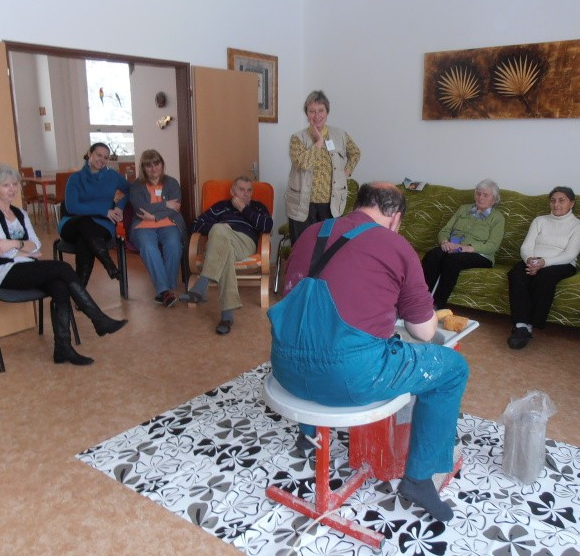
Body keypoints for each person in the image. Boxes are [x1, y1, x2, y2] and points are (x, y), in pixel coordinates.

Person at [270, 182, 469, 522]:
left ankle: (307, 435)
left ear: (358, 204)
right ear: (395, 217)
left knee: (315, 335)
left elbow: (305, 303)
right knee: (452, 367)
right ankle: (419, 480)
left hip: (285, 368)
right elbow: (423, 332)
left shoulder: (311, 232)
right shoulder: (395, 245)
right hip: (348, 380)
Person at [0, 164, 127, 366]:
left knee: (60, 286)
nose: (12, 189)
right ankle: (98, 319)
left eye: (15, 184)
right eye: (5, 185)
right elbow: (2, 252)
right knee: (62, 268)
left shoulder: (20, 213)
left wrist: (15, 245)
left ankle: (63, 349)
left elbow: (36, 245)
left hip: (24, 267)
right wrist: (24, 248)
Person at [179, 176, 273, 334]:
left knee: (218, 231)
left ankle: (202, 284)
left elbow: (267, 226)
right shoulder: (220, 207)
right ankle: (226, 317)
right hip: (218, 244)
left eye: (249, 190)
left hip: (244, 243)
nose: (246, 194)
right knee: (222, 242)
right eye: (241, 189)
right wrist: (221, 228)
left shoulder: (257, 207)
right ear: (232, 191)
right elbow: (195, 224)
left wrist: (244, 209)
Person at [507, 186, 580, 349]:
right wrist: (530, 260)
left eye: (561, 200)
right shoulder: (539, 221)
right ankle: (521, 326)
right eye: (553, 200)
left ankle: (530, 324)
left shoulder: (579, 225)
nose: (556, 204)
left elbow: (570, 254)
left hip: (562, 263)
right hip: (533, 260)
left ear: (572, 203)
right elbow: (526, 246)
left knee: (544, 277)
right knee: (516, 274)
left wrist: (544, 262)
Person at [285, 90, 360, 245]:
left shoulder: (340, 135)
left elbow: (355, 153)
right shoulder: (297, 138)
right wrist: (319, 142)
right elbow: (303, 164)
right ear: (306, 114)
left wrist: (345, 173)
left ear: (327, 112)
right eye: (312, 111)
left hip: (331, 205)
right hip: (302, 205)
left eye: (321, 110)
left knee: (328, 248)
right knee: (303, 248)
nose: (317, 115)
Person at [421, 178, 505, 309]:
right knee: (433, 255)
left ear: (494, 200)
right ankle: (420, 300)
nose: (480, 197)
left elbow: (492, 246)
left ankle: (437, 305)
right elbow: (445, 230)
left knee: (452, 261)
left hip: (480, 254)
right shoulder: (463, 209)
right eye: (478, 193)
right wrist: (444, 242)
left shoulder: (497, 217)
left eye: (485, 195)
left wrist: (465, 248)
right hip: (452, 247)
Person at [58, 143, 131, 287]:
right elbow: (72, 207)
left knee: (84, 241)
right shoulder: (75, 178)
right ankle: (108, 263)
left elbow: (131, 191)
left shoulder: (112, 176)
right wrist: (103, 210)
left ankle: (79, 292)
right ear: (89, 154)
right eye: (99, 155)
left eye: (106, 157)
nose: (102, 160)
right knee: (85, 222)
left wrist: (120, 206)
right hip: (73, 223)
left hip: (102, 225)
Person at [129, 149, 186, 307]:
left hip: (169, 223)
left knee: (174, 244)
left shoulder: (172, 182)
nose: (154, 168)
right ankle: (165, 291)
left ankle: (165, 289)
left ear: (162, 164)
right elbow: (140, 208)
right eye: (149, 165)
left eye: (156, 163)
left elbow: (175, 208)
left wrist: (154, 216)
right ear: (143, 168)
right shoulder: (136, 185)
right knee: (148, 247)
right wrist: (165, 204)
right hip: (142, 225)